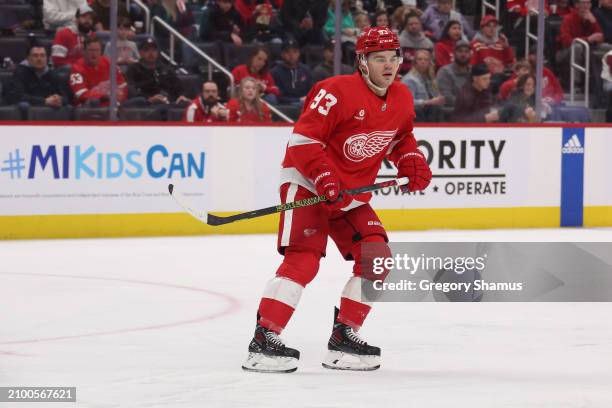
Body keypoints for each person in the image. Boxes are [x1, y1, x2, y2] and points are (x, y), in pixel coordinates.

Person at [241, 27, 432, 374]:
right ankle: (263, 339)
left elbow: (400, 137)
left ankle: (345, 336)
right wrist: (324, 176)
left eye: (393, 58)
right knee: (304, 259)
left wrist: (411, 160)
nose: (388, 66)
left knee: (377, 257)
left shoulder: (402, 96)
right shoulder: (335, 91)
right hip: (308, 183)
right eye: (379, 59)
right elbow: (302, 142)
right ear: (362, 61)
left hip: (352, 193)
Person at [125, 37, 190, 106]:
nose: (151, 53)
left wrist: (181, 95)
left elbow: (178, 87)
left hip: (169, 103)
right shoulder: (133, 69)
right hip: (145, 106)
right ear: (140, 53)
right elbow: (131, 90)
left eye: (154, 50)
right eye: (146, 50)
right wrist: (149, 99)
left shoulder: (166, 69)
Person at [4, 44, 70, 111]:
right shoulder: (19, 73)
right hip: (29, 113)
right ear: (28, 58)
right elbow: (18, 97)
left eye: (42, 55)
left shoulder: (54, 75)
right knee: (23, 105)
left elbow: (66, 98)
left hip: (48, 115)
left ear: (47, 58)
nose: (39, 59)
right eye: (35, 56)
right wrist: (45, 101)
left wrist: (58, 99)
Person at [69, 36, 127, 106]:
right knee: (94, 102)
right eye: (91, 50)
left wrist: (120, 96)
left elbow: (122, 85)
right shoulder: (77, 68)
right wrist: (105, 96)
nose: (94, 54)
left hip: (112, 104)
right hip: (88, 107)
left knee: (139, 101)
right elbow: (81, 94)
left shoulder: (109, 63)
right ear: (84, 51)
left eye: (97, 50)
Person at [470, 15, 515, 92]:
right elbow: (473, 66)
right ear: (482, 28)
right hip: (484, 79)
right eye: (488, 26)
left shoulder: (500, 43)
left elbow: (510, 62)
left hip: (501, 78)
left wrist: (506, 47)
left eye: (494, 26)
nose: (492, 29)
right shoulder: (475, 44)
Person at [402, 49, 445, 121]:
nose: (423, 61)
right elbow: (407, 102)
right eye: (420, 59)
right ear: (415, 62)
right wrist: (427, 102)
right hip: (417, 114)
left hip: (430, 112)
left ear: (429, 63)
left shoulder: (431, 79)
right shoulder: (409, 79)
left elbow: (435, 97)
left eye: (426, 59)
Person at [270, 40, 314, 105]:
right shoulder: (275, 72)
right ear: (282, 54)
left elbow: (311, 90)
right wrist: (298, 100)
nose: (291, 55)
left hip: (304, 104)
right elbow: (277, 96)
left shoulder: (306, 70)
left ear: (299, 53)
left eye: (295, 52)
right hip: (284, 106)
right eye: (288, 52)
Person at [435, 39, 471, 107]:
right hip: (450, 110)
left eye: (466, 52)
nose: (463, 54)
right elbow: (447, 98)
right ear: (454, 53)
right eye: (460, 51)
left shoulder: (473, 71)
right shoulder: (444, 72)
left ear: (470, 54)